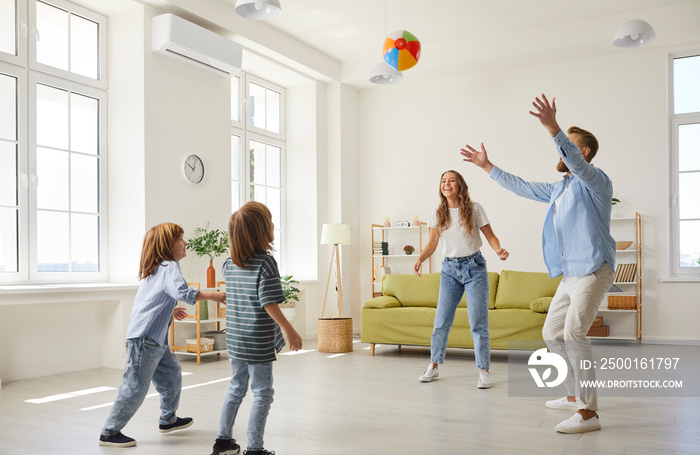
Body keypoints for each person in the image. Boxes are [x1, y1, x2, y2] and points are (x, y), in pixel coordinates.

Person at [460, 94, 615, 434]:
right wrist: (487, 166)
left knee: (574, 333)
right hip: (571, 274)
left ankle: (589, 414)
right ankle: (575, 396)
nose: (560, 153)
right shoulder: (559, 190)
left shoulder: (597, 182)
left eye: (569, 147)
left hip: (594, 268)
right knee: (551, 332)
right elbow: (522, 186)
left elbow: (575, 162)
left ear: (582, 152)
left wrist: (553, 128)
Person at [99, 222, 227, 447]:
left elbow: (152, 301)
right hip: (146, 339)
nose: (185, 243)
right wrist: (214, 295)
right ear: (167, 245)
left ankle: (168, 418)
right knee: (135, 386)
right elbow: (181, 291)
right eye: (180, 239)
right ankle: (109, 431)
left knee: (171, 374)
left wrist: (171, 308)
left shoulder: (157, 269)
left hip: (154, 339)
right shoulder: (169, 266)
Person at [210, 201, 303, 455]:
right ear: (260, 231)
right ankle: (255, 449)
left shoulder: (229, 264)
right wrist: (288, 328)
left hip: (236, 339)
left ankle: (223, 441)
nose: (273, 225)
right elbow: (268, 302)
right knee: (262, 393)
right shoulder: (266, 263)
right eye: (270, 222)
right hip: (257, 340)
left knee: (236, 388)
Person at [413, 170, 509, 388]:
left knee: (478, 323)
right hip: (449, 270)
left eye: (451, 180)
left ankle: (483, 370)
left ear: (460, 185)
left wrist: (498, 250)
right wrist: (420, 259)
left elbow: (490, 235)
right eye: (443, 181)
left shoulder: (475, 209)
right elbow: (432, 244)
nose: (447, 184)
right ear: (440, 187)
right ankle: (433, 366)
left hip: (474, 268)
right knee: (441, 322)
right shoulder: (437, 214)